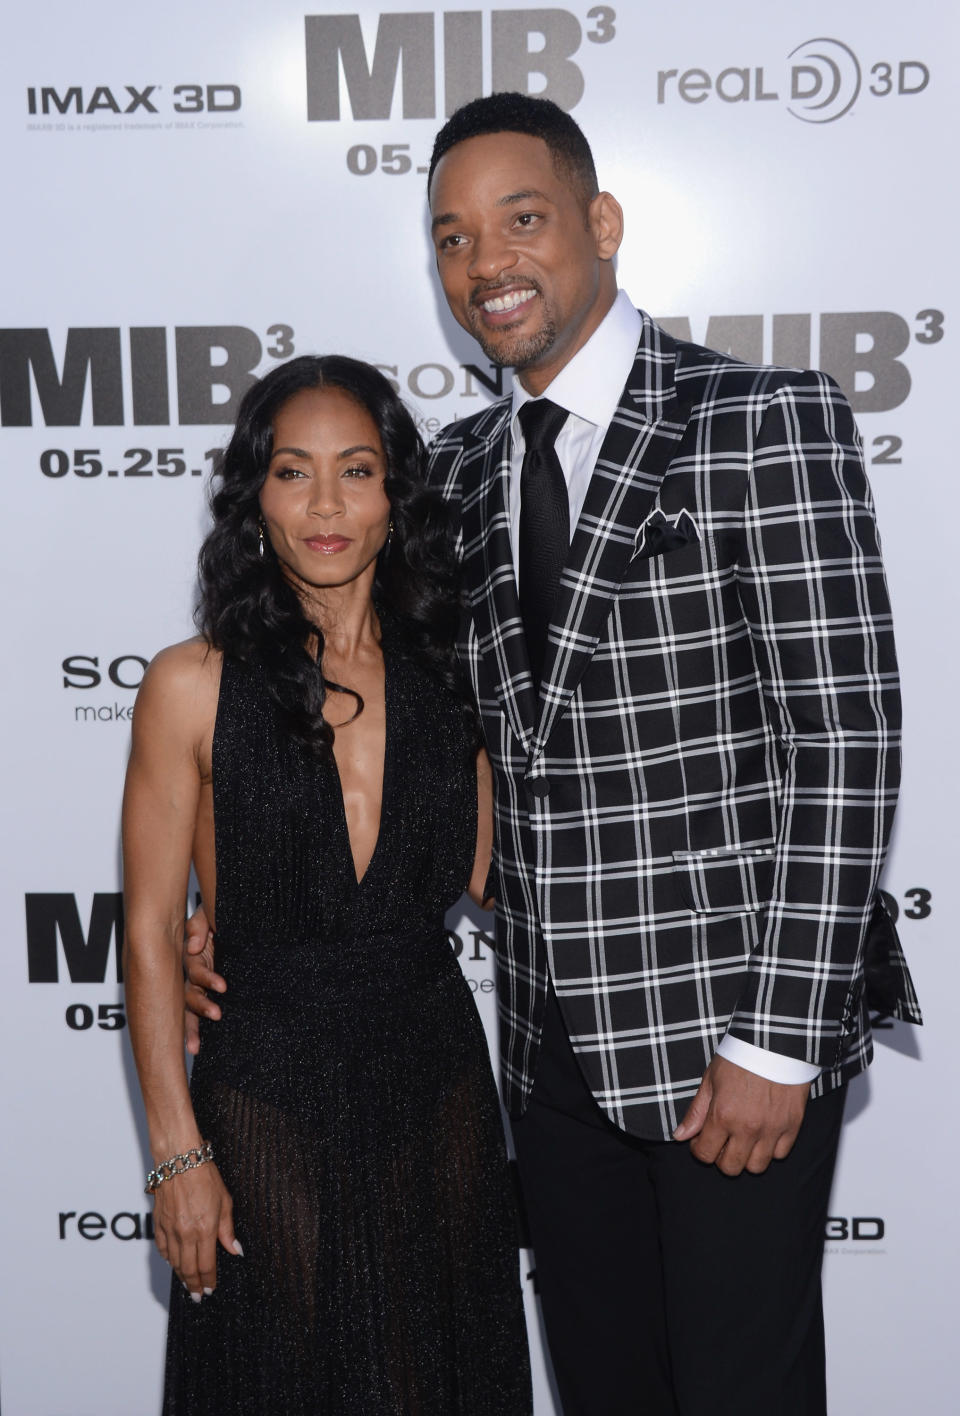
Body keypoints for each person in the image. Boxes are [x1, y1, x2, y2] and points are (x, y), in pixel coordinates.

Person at [186, 96, 921, 1415]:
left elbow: (847, 738)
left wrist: (781, 1039)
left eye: (520, 221)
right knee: (606, 1390)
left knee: (741, 1391)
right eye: (453, 239)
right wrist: (233, 899)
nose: (487, 265)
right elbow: (384, 720)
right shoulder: (458, 475)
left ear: (600, 225)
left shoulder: (758, 421)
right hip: (541, 1046)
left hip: (726, 1037)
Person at [122, 354, 532, 1414]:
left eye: (356, 470)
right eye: (293, 472)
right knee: (270, 1379)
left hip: (433, 1079)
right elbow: (151, 929)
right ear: (254, 496)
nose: (326, 505)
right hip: (265, 1088)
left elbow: (498, 881)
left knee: (435, 1376)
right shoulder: (190, 683)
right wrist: (177, 1155)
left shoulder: (456, 672)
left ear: (396, 492)